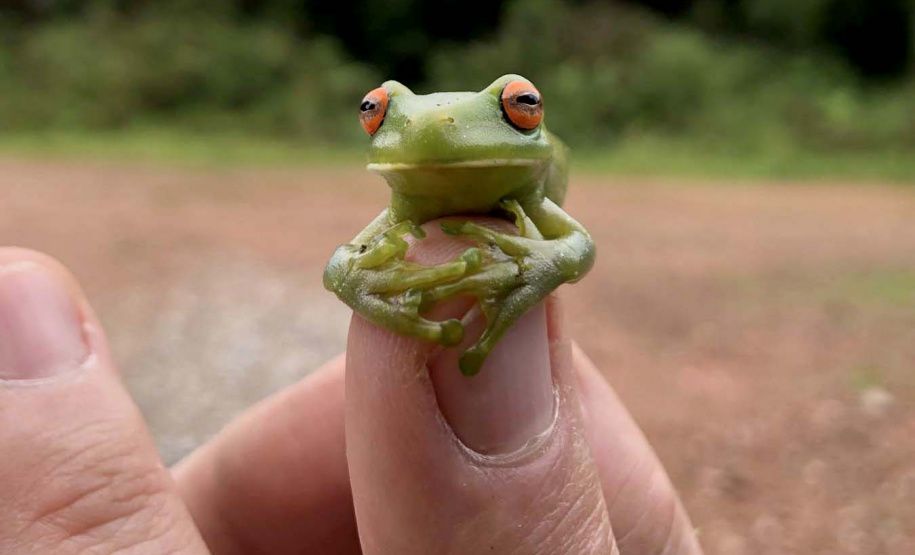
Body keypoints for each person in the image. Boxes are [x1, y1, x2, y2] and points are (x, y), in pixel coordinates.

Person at [0, 222, 703, 554]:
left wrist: (534, 269)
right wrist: (381, 299)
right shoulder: (401, 201)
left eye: (517, 106)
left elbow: (575, 247)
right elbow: (341, 268)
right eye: (377, 112)